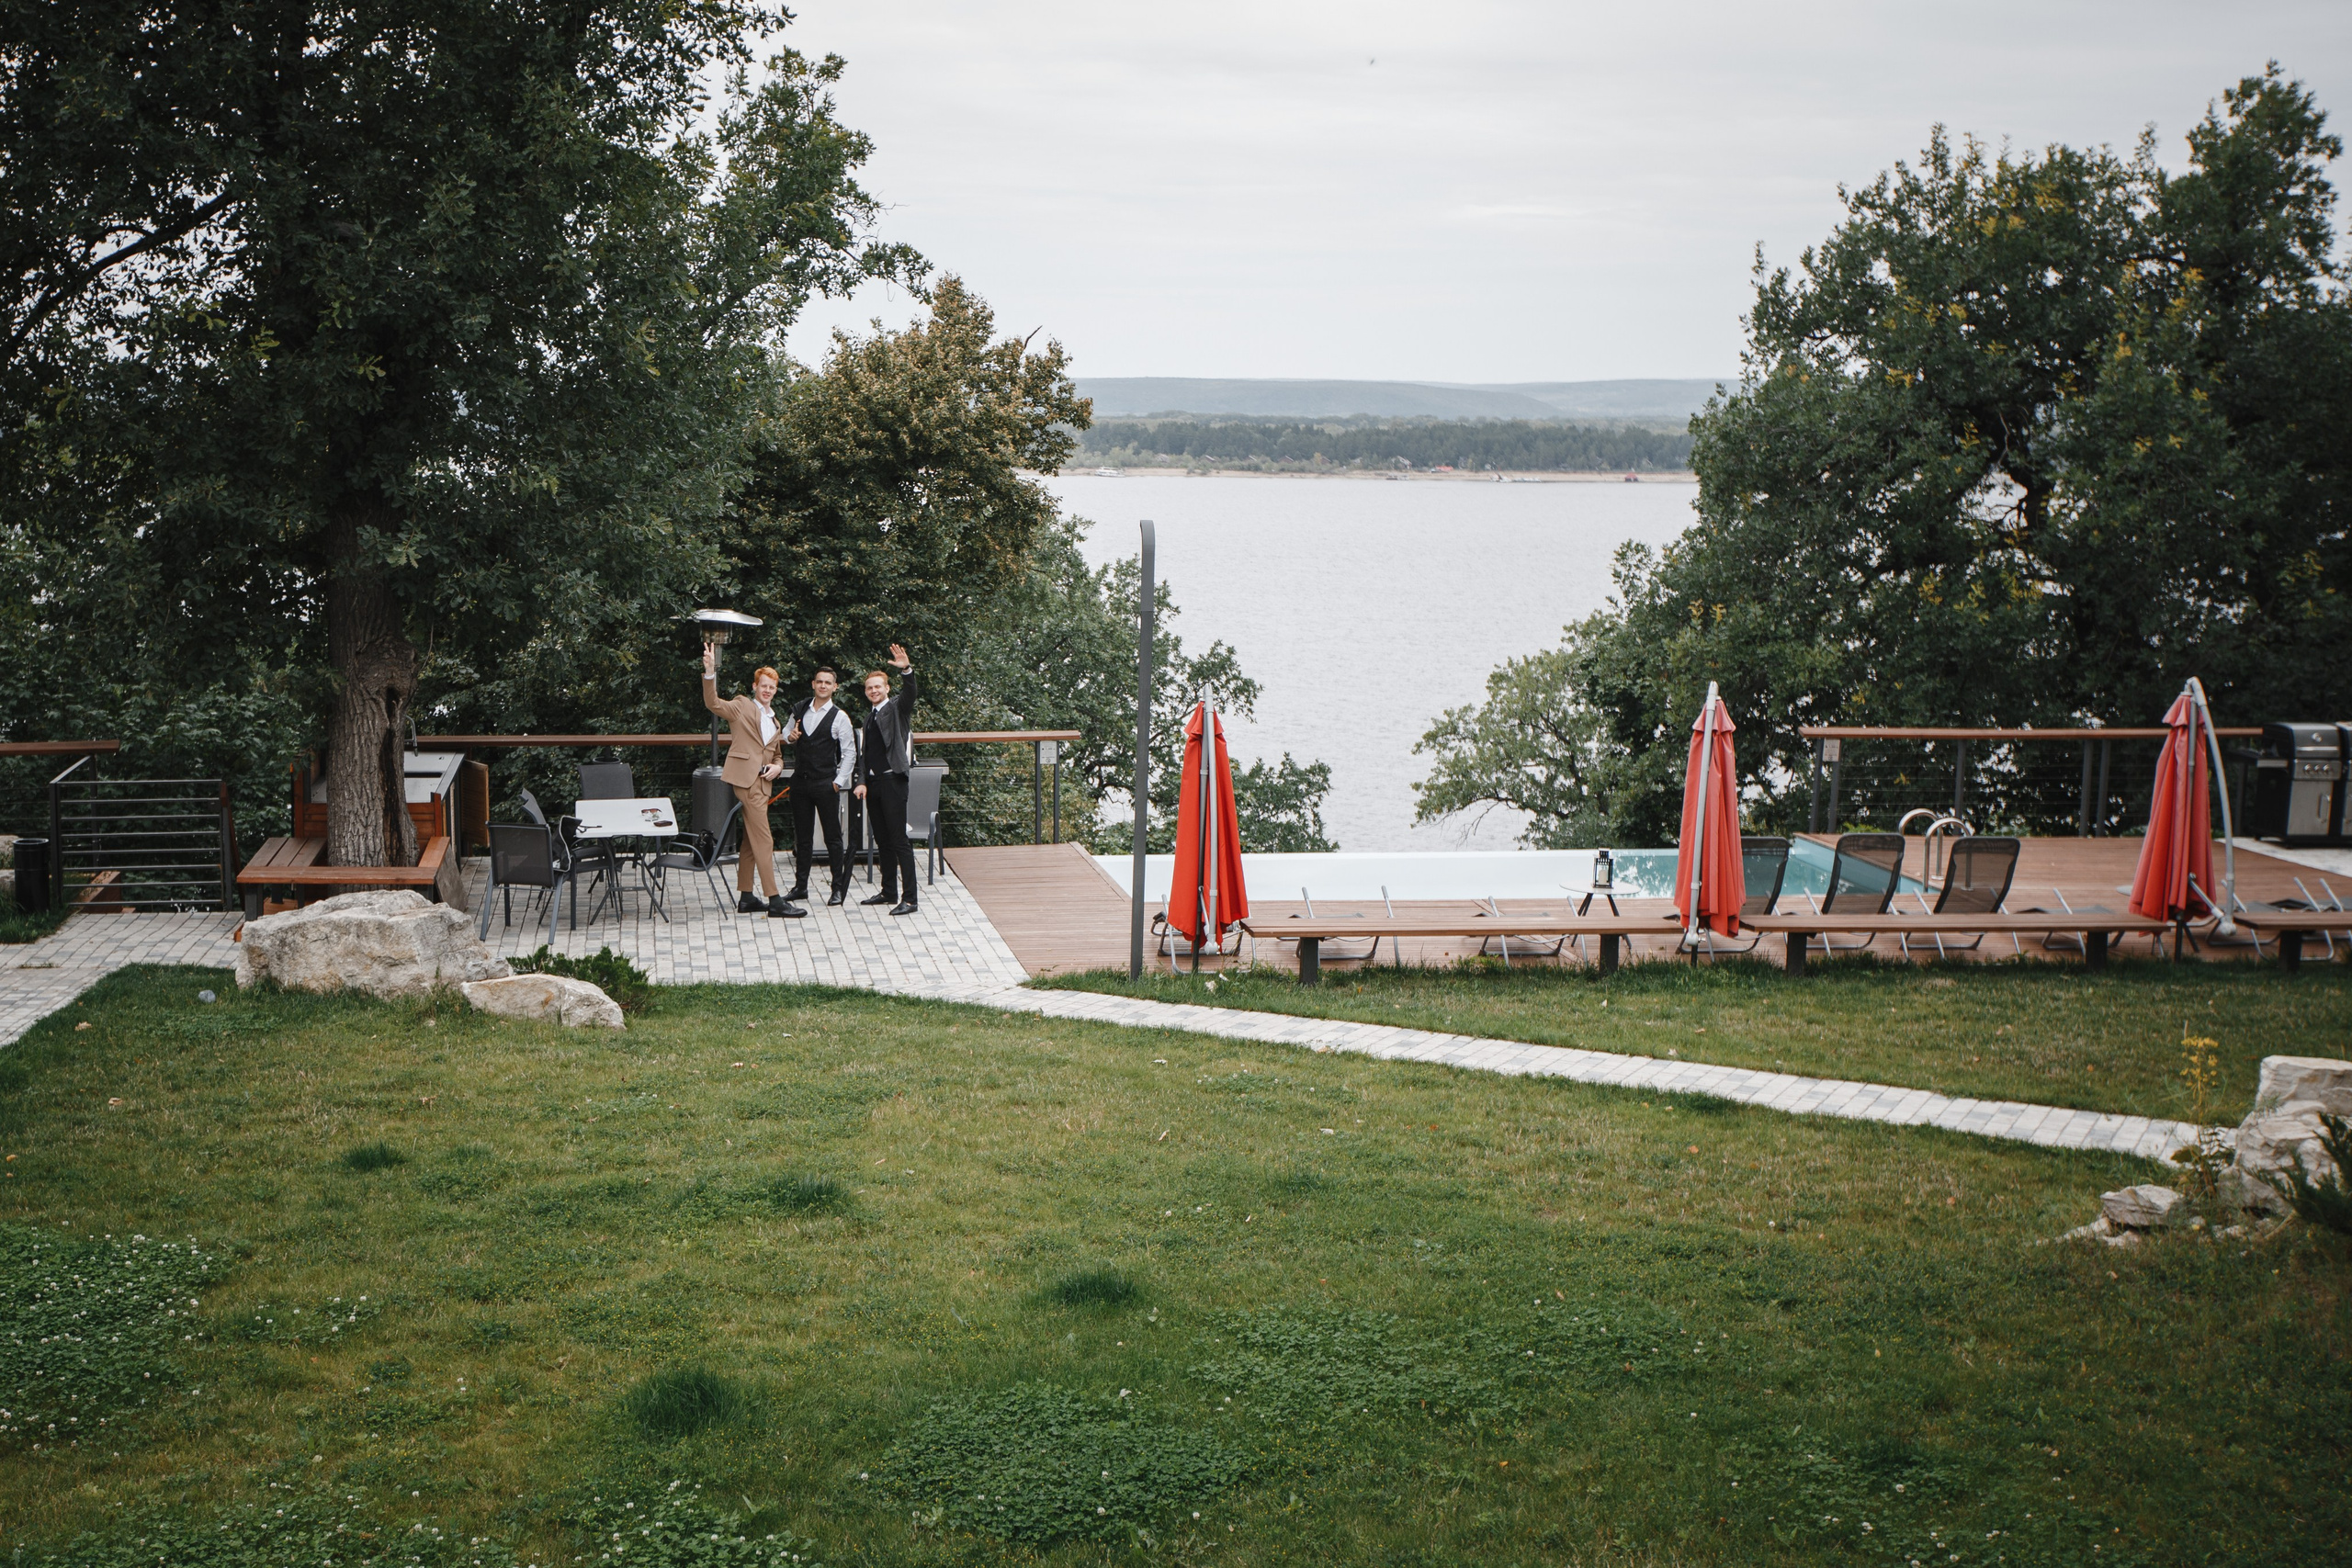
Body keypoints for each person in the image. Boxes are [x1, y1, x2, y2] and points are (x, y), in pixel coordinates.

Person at [701, 644, 804, 919]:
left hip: (763, 783)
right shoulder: (742, 706)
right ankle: (775, 900)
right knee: (765, 839)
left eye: (772, 687)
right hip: (746, 782)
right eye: (763, 686)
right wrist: (709, 672)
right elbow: (714, 704)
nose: (768, 690)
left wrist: (777, 768)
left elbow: (779, 755)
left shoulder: (775, 721)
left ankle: (747, 897)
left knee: (750, 840)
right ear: (755, 686)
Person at [854, 643, 919, 915]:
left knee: (899, 840)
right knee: (882, 839)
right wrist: (861, 780)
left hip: (893, 781)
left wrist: (906, 669)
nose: (873, 691)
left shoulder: (896, 709)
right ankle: (889, 891)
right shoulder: (869, 718)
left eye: (878, 686)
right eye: (869, 688)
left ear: (887, 688)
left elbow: (910, 694)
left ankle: (911, 899)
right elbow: (864, 753)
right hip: (874, 784)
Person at [782, 665, 856, 905]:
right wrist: (789, 736)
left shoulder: (840, 717)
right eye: (819, 681)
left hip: (826, 784)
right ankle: (800, 887)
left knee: (833, 838)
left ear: (835, 687)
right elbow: (785, 732)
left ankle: (836, 888)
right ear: (813, 684)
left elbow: (849, 753)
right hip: (800, 784)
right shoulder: (800, 709)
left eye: (828, 682)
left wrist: (837, 782)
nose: (823, 685)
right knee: (802, 838)